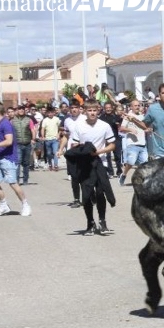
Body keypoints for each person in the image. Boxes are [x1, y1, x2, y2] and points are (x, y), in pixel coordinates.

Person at [65, 99, 116, 236]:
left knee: (100, 193)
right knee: (87, 195)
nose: (92, 113)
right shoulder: (79, 126)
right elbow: (74, 145)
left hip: (100, 162)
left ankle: (102, 221)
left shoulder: (104, 126)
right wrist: (83, 149)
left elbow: (112, 144)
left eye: (94, 110)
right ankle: (90, 223)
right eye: (89, 110)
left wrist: (99, 152)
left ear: (98, 111)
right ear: (85, 111)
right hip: (85, 165)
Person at [0, 104, 31, 217]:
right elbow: (2, 142)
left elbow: (9, 141)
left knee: (13, 183)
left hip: (9, 159)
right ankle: (4, 206)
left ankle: (25, 205)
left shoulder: (5, 124)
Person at [58, 101, 87, 208]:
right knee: (74, 176)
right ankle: (76, 199)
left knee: (84, 175)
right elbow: (66, 136)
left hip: (83, 151)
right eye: (72, 108)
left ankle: (87, 198)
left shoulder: (85, 119)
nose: (74, 109)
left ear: (80, 108)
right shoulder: (67, 120)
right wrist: (60, 149)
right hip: (71, 152)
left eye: (76, 107)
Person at [118, 99, 148, 186]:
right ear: (131, 107)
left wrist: (147, 130)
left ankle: (142, 179)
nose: (137, 107)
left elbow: (145, 127)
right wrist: (130, 130)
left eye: (138, 105)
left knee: (144, 163)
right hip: (132, 143)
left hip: (142, 143)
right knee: (131, 162)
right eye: (135, 105)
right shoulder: (128, 116)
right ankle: (124, 174)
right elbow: (121, 128)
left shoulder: (142, 116)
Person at [10, 105, 37, 185]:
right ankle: (17, 181)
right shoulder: (12, 121)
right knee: (18, 162)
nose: (21, 110)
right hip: (17, 144)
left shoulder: (29, 120)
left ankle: (25, 180)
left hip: (27, 144)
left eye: (22, 109)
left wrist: (33, 139)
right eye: (19, 109)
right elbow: (9, 132)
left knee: (26, 163)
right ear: (17, 110)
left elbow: (33, 130)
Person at [99, 101, 123, 177]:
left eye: (109, 108)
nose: (108, 109)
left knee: (118, 156)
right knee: (108, 156)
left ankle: (119, 171)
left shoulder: (116, 117)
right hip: (106, 140)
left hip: (116, 139)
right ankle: (110, 172)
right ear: (104, 108)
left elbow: (122, 124)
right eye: (106, 108)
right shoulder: (101, 118)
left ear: (112, 108)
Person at [40, 106, 61, 172]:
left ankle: (56, 165)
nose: (50, 114)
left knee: (55, 152)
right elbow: (42, 129)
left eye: (51, 112)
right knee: (49, 153)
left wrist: (59, 134)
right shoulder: (45, 120)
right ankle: (50, 164)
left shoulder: (57, 119)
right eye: (49, 113)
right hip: (47, 139)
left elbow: (60, 127)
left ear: (54, 113)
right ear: (47, 113)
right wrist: (43, 136)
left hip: (55, 139)